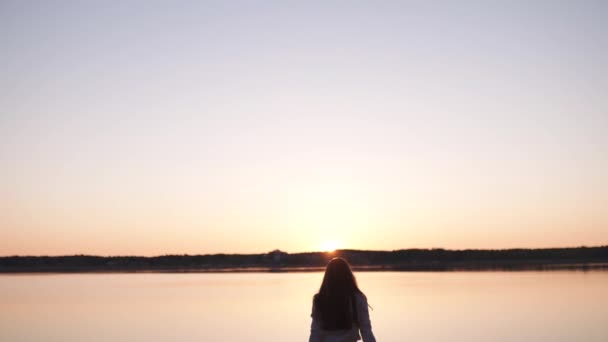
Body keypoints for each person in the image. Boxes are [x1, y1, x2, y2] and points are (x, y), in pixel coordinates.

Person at [309, 257, 376, 342]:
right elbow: (366, 331)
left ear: (327, 276)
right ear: (348, 275)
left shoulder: (319, 299)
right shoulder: (358, 298)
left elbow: (315, 333)